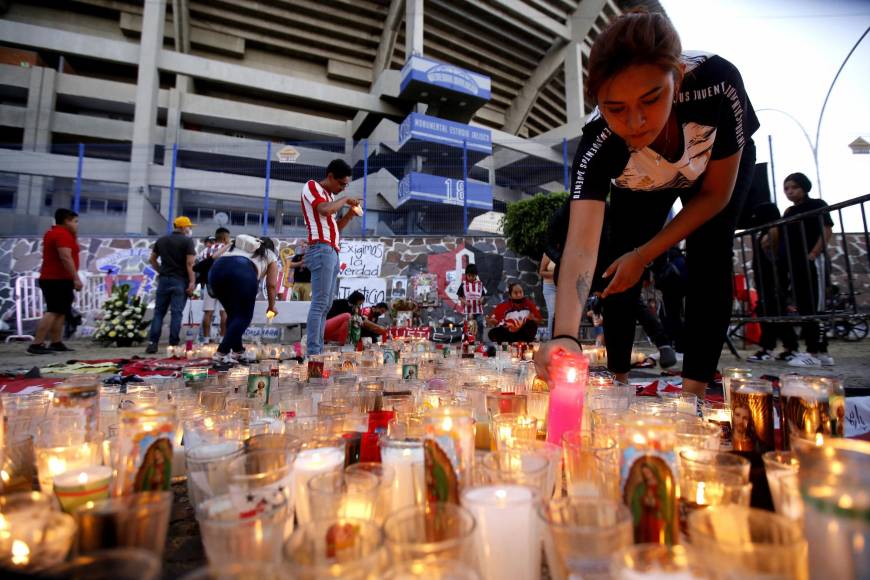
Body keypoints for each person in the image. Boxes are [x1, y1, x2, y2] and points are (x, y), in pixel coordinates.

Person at [535, 11, 759, 401]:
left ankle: (693, 398)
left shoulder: (717, 84)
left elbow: (716, 196)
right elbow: (583, 245)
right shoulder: (599, 142)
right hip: (640, 182)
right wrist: (566, 336)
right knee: (618, 267)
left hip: (710, 170)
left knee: (711, 254)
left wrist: (647, 253)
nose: (636, 121)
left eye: (652, 98)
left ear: (677, 76)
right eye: (616, 107)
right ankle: (618, 385)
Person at [302, 159, 360, 356]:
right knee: (320, 303)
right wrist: (345, 200)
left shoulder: (328, 195)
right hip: (321, 248)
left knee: (325, 304)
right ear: (330, 177)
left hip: (331, 249)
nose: (342, 188)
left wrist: (350, 213)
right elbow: (324, 210)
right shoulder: (312, 186)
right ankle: (314, 352)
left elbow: (335, 228)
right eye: (341, 184)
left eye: (345, 185)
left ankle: (316, 348)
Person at [781, 173, 835, 367]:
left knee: (816, 305)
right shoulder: (788, 212)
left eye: (793, 187)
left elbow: (826, 229)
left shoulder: (817, 204)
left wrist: (813, 253)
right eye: (786, 188)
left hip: (814, 260)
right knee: (804, 305)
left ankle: (816, 351)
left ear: (804, 187)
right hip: (796, 264)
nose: (789, 191)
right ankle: (816, 351)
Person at [208, 235, 279, 363]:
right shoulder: (270, 254)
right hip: (242, 273)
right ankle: (221, 353)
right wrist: (271, 305)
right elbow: (271, 285)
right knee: (244, 317)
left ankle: (238, 351)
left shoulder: (237, 246)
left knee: (233, 315)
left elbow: (214, 256)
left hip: (216, 272)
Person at [746, 202, 799, 363]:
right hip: (766, 280)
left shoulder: (776, 231)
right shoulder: (764, 232)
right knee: (771, 312)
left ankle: (770, 348)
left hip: (774, 280)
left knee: (774, 312)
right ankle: (786, 347)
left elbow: (775, 258)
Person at [27, 208, 81, 355]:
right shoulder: (61, 234)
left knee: (61, 311)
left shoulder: (57, 233)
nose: (77, 225)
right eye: (75, 221)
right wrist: (76, 277)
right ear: (66, 221)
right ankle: (37, 344)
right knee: (53, 311)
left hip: (61, 278)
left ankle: (56, 342)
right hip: (56, 279)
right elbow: (65, 257)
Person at [145, 216, 197, 354]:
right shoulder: (187, 242)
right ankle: (173, 344)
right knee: (176, 313)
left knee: (159, 313)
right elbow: (190, 263)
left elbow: (152, 259)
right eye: (188, 226)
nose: (189, 229)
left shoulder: (161, 240)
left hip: (164, 280)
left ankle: (152, 343)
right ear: (181, 227)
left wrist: (160, 271)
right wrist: (192, 281)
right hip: (180, 281)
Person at [196, 227, 230, 341]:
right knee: (224, 313)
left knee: (208, 313)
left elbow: (200, 266)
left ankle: (206, 339)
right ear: (225, 238)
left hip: (209, 284)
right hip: (225, 284)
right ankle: (222, 339)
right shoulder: (228, 249)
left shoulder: (205, 251)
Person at [457, 263, 487, 343]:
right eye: (469, 276)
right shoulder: (463, 284)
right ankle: (468, 341)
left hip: (478, 310)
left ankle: (480, 340)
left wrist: (481, 300)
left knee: (480, 323)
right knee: (468, 325)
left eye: (473, 276)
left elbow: (483, 295)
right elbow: (459, 296)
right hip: (468, 310)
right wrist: (465, 302)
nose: (471, 278)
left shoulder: (480, 284)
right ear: (466, 275)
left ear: (476, 275)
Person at [539, 254, 557, 339]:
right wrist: (557, 274)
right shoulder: (548, 254)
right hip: (550, 287)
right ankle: (551, 338)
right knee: (552, 313)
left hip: (563, 287)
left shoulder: (568, 251)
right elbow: (541, 272)